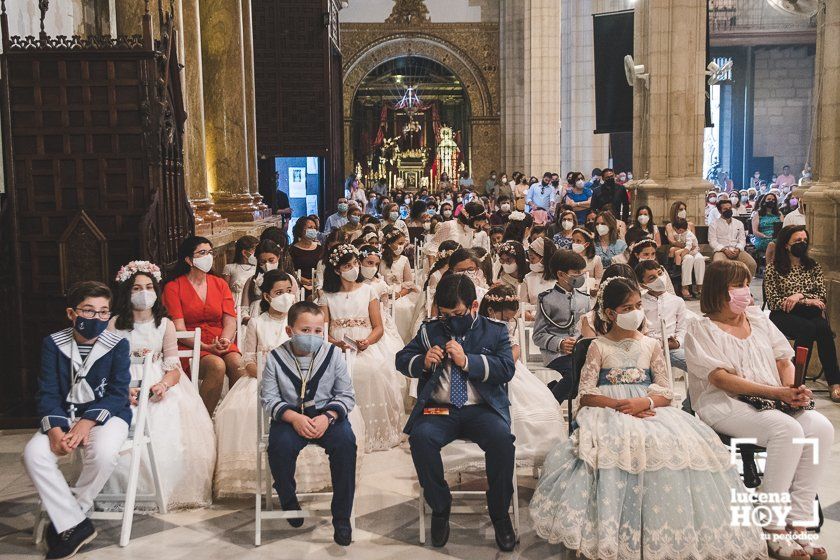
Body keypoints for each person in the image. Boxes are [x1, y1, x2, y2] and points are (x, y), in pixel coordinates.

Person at [531, 276, 767, 559]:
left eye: (638, 305)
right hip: (609, 408)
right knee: (615, 444)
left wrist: (643, 400)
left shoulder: (651, 345)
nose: (636, 312)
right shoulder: (598, 346)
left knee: (677, 442)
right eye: (627, 307)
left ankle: (667, 525)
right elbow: (586, 393)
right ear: (610, 313)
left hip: (650, 406)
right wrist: (621, 404)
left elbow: (667, 392)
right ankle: (617, 525)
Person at [685, 260, 833, 560]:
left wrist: (794, 390)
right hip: (724, 403)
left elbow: (783, 360)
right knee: (787, 430)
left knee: (820, 427)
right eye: (737, 285)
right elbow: (722, 379)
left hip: (772, 399)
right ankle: (771, 525)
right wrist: (776, 393)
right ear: (718, 291)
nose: (745, 291)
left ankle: (798, 521)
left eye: (745, 284)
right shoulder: (701, 329)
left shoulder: (759, 320)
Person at [395, 274, 518, 551]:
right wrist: (422, 362)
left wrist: (467, 361)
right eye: (445, 313)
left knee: (502, 441)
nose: (450, 319)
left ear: (474, 306)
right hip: (440, 409)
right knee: (420, 439)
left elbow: (506, 370)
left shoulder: (494, 330)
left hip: (481, 409)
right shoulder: (430, 330)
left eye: (457, 313)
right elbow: (401, 359)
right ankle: (440, 506)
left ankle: (500, 514)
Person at [23, 281, 131, 559]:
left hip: (108, 417)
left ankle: (69, 517)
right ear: (72, 314)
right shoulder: (52, 343)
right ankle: (76, 524)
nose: (97, 318)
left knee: (105, 453)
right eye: (89, 311)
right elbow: (47, 391)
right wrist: (56, 430)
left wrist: (87, 423)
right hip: (64, 415)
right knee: (33, 455)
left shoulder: (118, 344)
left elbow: (118, 393)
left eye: (103, 312)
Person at [107, 262, 215, 509]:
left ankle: (167, 488)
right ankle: (125, 490)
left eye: (148, 287)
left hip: (158, 378)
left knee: (169, 427)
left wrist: (163, 385)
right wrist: (122, 388)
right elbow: (108, 365)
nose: (143, 293)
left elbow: (173, 366)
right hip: (124, 382)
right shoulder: (115, 324)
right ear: (127, 292)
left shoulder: (164, 324)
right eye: (136, 288)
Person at [261, 301, 357, 546]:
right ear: (289, 331)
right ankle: (287, 494)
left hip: (327, 418)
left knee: (346, 444)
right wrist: (293, 417)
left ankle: (342, 516)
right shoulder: (275, 358)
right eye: (305, 330)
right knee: (279, 448)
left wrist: (328, 417)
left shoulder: (333, 354)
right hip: (290, 418)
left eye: (317, 331)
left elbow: (346, 395)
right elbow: (269, 398)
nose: (312, 336)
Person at [440, 285, 563, 474]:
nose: (509, 321)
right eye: (506, 318)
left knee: (538, 404)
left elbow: (515, 348)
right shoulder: (479, 326)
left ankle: (518, 451)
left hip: (508, 368)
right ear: (491, 310)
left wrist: (507, 362)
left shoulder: (503, 326)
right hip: (482, 368)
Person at [319, 244, 404, 451]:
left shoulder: (368, 291)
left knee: (373, 371)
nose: (354, 268)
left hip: (365, 345)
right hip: (337, 349)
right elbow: (323, 331)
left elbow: (378, 327)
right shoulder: (327, 295)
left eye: (356, 263)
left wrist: (368, 341)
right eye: (347, 265)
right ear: (337, 269)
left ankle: (374, 432)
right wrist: (335, 343)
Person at [162, 237, 243, 414]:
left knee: (238, 364)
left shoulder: (219, 283)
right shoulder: (173, 287)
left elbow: (229, 319)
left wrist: (224, 340)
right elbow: (179, 329)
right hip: (190, 343)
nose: (208, 256)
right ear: (189, 260)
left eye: (210, 252)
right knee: (217, 365)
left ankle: (231, 416)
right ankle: (203, 418)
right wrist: (206, 347)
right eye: (202, 253)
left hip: (219, 338)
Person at [764, 225, 840, 401]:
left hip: (808, 312)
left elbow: (821, 298)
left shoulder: (812, 266)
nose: (802, 244)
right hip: (782, 315)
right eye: (797, 241)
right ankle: (797, 382)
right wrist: (806, 299)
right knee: (807, 328)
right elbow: (775, 301)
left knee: (823, 328)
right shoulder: (773, 268)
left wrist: (799, 296)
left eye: (804, 240)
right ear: (786, 245)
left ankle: (834, 382)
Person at [533, 250, 591, 404]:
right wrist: (560, 344)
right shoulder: (547, 299)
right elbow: (538, 335)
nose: (580, 276)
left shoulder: (584, 299)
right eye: (576, 272)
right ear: (561, 274)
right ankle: (548, 404)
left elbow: (589, 328)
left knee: (590, 373)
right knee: (575, 374)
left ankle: (551, 390)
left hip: (579, 351)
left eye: (581, 272)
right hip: (556, 354)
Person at [635, 260, 687, 372]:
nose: (659, 279)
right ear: (642, 284)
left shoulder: (677, 301)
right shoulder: (639, 303)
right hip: (647, 349)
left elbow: (682, 329)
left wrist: (677, 342)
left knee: (695, 363)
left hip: (672, 349)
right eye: (652, 278)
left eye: (660, 273)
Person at [380, 226, 419, 342]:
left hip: (400, 292)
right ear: (390, 243)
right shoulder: (381, 260)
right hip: (384, 291)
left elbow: (409, 283)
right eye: (399, 243)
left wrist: (399, 294)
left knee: (403, 308)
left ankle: (403, 338)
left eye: (403, 243)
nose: (401, 246)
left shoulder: (404, 260)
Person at [424, 201, 490, 262]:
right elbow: (432, 248)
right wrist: (433, 270)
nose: (475, 228)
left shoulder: (470, 230)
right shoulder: (449, 225)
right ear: (468, 218)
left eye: (478, 225)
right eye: (476, 224)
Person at [709, 198, 757, 276]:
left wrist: (738, 249)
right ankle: (723, 287)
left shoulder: (739, 223)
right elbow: (712, 242)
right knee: (718, 265)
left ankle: (745, 285)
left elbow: (742, 240)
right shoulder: (714, 224)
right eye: (725, 209)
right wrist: (724, 250)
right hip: (721, 251)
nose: (728, 210)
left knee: (751, 263)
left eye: (729, 208)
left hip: (737, 250)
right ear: (719, 210)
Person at [668, 218, 705, 298]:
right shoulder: (681, 234)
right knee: (688, 259)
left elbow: (688, 247)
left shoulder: (689, 235)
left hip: (693, 252)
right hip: (688, 253)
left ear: (680, 230)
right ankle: (685, 287)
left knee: (700, 259)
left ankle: (700, 286)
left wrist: (681, 255)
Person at [519, 236, 557, 314]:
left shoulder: (559, 277)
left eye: (533, 258)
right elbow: (522, 303)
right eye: (529, 258)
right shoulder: (528, 278)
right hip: (533, 319)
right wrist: (528, 315)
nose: (530, 261)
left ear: (544, 259)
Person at [289, 216, 323, 295]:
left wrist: (316, 280)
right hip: (299, 285)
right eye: (310, 227)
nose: (313, 230)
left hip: (318, 283)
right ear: (301, 230)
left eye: (315, 228)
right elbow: (290, 270)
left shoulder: (320, 249)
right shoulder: (292, 250)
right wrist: (304, 280)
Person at [222, 235, 259, 306]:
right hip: (235, 304)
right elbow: (225, 291)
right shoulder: (229, 267)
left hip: (251, 304)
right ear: (244, 253)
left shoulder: (258, 269)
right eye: (255, 251)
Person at [570, 227, 603, 294]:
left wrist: (595, 288)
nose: (575, 243)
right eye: (573, 241)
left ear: (587, 244)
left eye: (578, 241)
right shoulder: (568, 258)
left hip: (589, 293)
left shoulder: (596, 259)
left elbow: (599, 278)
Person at [751, 192, 782, 259]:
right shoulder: (757, 214)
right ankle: (770, 265)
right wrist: (766, 236)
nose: (771, 201)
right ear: (764, 201)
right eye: (769, 199)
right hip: (763, 238)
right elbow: (755, 231)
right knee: (772, 243)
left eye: (773, 200)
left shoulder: (779, 214)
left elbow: (783, 228)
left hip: (777, 237)